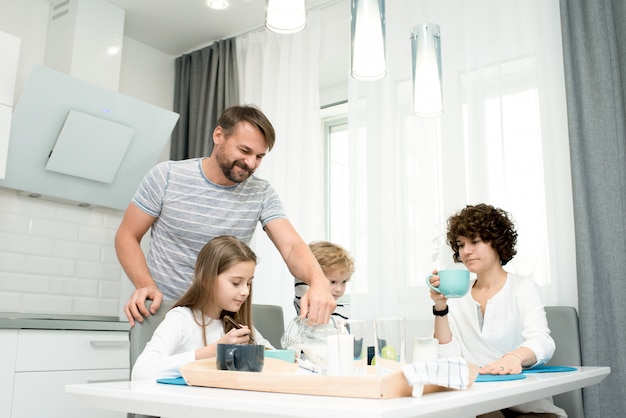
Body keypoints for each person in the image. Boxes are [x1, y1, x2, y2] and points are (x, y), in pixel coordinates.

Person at [115, 105, 335, 326]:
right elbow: (127, 235)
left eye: (259, 156)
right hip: (163, 311)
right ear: (218, 135)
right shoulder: (167, 176)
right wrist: (145, 285)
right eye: (244, 151)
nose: (251, 163)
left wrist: (319, 281)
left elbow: (291, 246)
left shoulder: (261, 193)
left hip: (222, 320)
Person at [427, 203, 566, 418]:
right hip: (481, 403)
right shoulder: (458, 296)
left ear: (497, 243)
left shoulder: (523, 287)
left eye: (475, 241)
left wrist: (514, 358)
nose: (466, 251)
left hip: (528, 405)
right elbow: (448, 358)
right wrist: (440, 307)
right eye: (461, 244)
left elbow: (542, 341)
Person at [131, 235, 273, 381]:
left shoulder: (238, 325)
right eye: (236, 283)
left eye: (248, 283)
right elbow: (140, 371)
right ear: (206, 280)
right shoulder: (181, 319)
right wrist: (214, 350)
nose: (245, 292)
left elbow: (275, 359)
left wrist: (288, 357)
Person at [293, 241, 355, 321]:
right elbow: (301, 273)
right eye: (332, 282)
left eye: (344, 282)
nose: (338, 289)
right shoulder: (308, 303)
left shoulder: (343, 311)